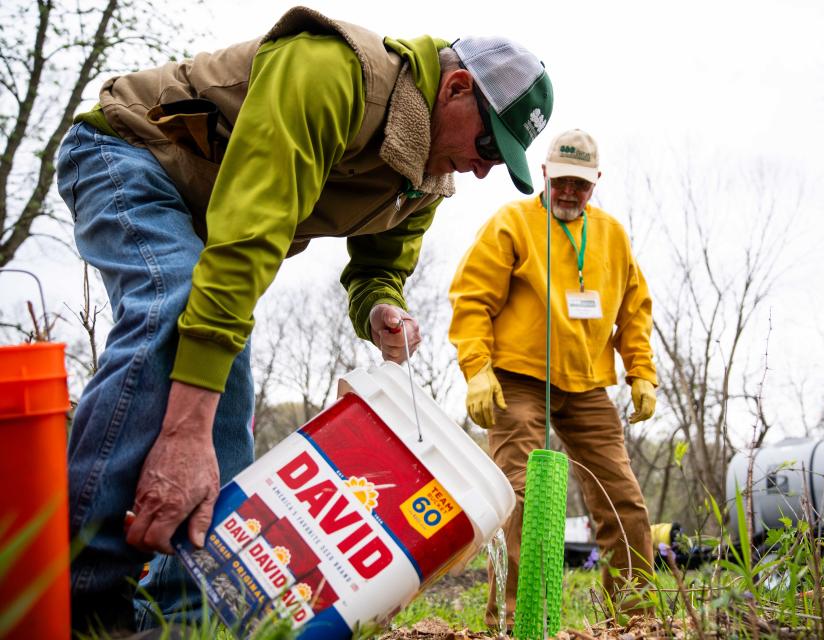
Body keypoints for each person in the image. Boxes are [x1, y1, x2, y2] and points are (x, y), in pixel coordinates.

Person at [55, 6, 553, 633]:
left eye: (499, 159)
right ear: (455, 89)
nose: (481, 168)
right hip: (129, 155)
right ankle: (78, 596)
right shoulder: (333, 72)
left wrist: (380, 308)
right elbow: (250, 234)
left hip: (210, 217)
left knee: (224, 366)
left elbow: (379, 270)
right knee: (186, 311)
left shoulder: (423, 179)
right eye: (487, 144)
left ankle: (190, 611)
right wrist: (182, 436)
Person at [448, 129, 657, 626]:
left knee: (622, 498)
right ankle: (518, 620)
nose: (568, 192)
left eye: (580, 186)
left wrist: (641, 373)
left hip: (587, 384)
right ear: (543, 174)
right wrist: (477, 370)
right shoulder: (512, 224)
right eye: (561, 180)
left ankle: (634, 620)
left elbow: (634, 311)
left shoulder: (612, 236)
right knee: (520, 492)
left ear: (595, 183)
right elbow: (472, 299)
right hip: (518, 380)